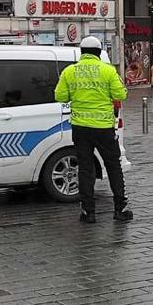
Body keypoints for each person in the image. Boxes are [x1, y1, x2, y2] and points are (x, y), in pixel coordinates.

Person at [54, 36, 131, 224]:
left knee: (85, 169)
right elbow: (121, 94)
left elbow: (60, 96)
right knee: (113, 166)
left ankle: (89, 212)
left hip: (81, 129)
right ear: (98, 52)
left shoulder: (69, 71)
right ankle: (120, 209)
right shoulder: (108, 71)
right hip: (103, 128)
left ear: (82, 52)